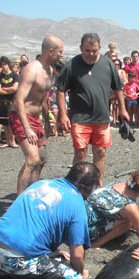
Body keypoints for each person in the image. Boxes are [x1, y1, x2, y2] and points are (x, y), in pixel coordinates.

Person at [56, 33, 129, 185]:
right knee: (80, 153)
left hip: (101, 116)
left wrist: (123, 109)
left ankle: (97, 184)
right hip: (80, 117)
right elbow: (61, 89)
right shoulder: (71, 65)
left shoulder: (107, 63)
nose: (90, 54)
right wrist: (63, 114)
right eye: (87, 51)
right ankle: (76, 185)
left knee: (100, 152)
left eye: (94, 51)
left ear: (99, 48)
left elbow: (118, 88)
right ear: (81, 48)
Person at [11, 34, 64, 194]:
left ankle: (31, 194)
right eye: (60, 51)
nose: (61, 54)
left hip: (37, 118)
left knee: (41, 160)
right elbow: (19, 99)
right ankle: (20, 202)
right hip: (22, 117)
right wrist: (27, 128)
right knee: (32, 160)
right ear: (51, 51)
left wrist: (48, 119)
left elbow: (42, 98)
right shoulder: (31, 70)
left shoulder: (49, 70)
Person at [86, 167, 139, 248]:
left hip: (82, 216)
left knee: (130, 216)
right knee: (127, 222)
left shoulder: (120, 183)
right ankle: (97, 243)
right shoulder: (129, 205)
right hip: (88, 230)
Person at [0, 56, 19, 148]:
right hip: (2, 101)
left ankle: (13, 141)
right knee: (4, 122)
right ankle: (7, 141)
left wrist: (4, 89)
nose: (3, 67)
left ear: (8, 64)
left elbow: (14, 88)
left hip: (11, 101)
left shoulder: (14, 75)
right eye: (2, 65)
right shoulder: (0, 76)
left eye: (5, 64)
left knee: (11, 122)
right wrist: (6, 90)